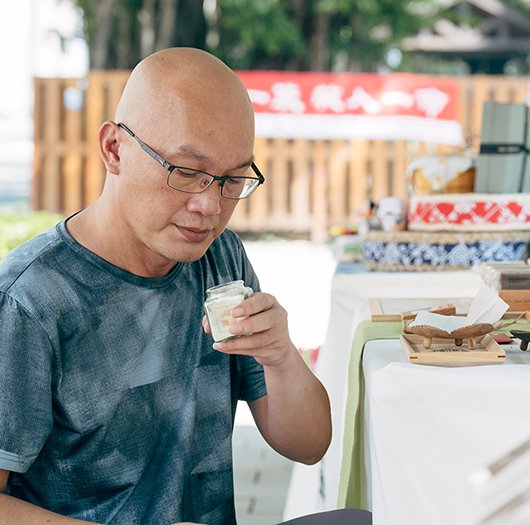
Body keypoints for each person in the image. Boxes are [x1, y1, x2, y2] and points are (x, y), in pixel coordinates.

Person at [0, 48, 369, 525]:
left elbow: (309, 444)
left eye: (232, 179)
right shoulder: (29, 301)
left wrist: (280, 357)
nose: (209, 206)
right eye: (187, 172)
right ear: (115, 149)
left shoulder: (219, 257)